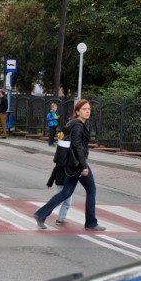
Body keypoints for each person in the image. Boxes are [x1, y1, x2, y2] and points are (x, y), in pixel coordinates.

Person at [34, 99, 106, 231]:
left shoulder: (74, 123)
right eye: (84, 109)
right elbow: (77, 146)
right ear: (78, 111)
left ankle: (41, 214)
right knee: (91, 190)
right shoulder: (78, 125)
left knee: (66, 192)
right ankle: (90, 222)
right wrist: (84, 166)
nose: (87, 111)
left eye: (89, 109)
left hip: (72, 163)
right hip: (78, 163)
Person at [46, 161, 71, 226]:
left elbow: (55, 170)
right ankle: (41, 213)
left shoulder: (63, 156)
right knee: (60, 201)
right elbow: (56, 170)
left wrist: (50, 182)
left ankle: (60, 219)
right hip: (63, 183)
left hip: (64, 183)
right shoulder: (67, 157)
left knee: (65, 202)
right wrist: (50, 182)